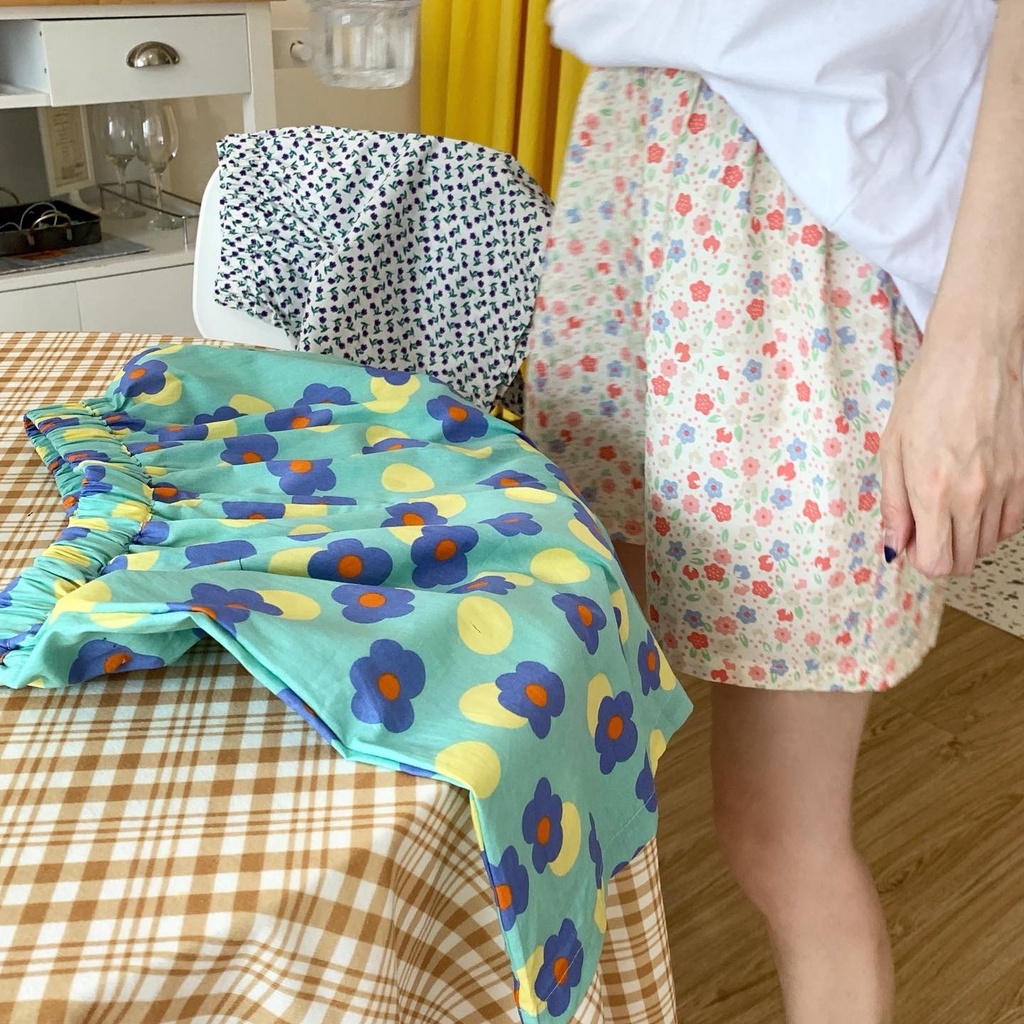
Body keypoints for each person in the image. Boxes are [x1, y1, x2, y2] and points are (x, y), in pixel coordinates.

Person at [524, 1, 1024, 1021]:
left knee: (779, 833)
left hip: (807, 224)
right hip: (630, 162)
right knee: (580, 736)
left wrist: (974, 347)